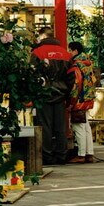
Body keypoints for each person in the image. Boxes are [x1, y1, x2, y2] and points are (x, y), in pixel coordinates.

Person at [31, 27, 72, 166]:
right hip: (61, 95)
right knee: (60, 127)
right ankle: (61, 156)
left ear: (42, 36)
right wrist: (67, 93)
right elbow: (71, 77)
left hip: (43, 95)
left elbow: (32, 74)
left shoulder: (37, 52)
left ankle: (47, 157)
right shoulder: (65, 53)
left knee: (45, 126)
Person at [68, 41, 97, 164]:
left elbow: (76, 85)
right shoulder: (88, 63)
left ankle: (81, 155)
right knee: (86, 126)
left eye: (69, 50)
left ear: (75, 51)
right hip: (88, 98)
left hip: (79, 99)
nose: (68, 53)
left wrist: (71, 103)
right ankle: (89, 153)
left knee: (78, 126)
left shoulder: (76, 66)